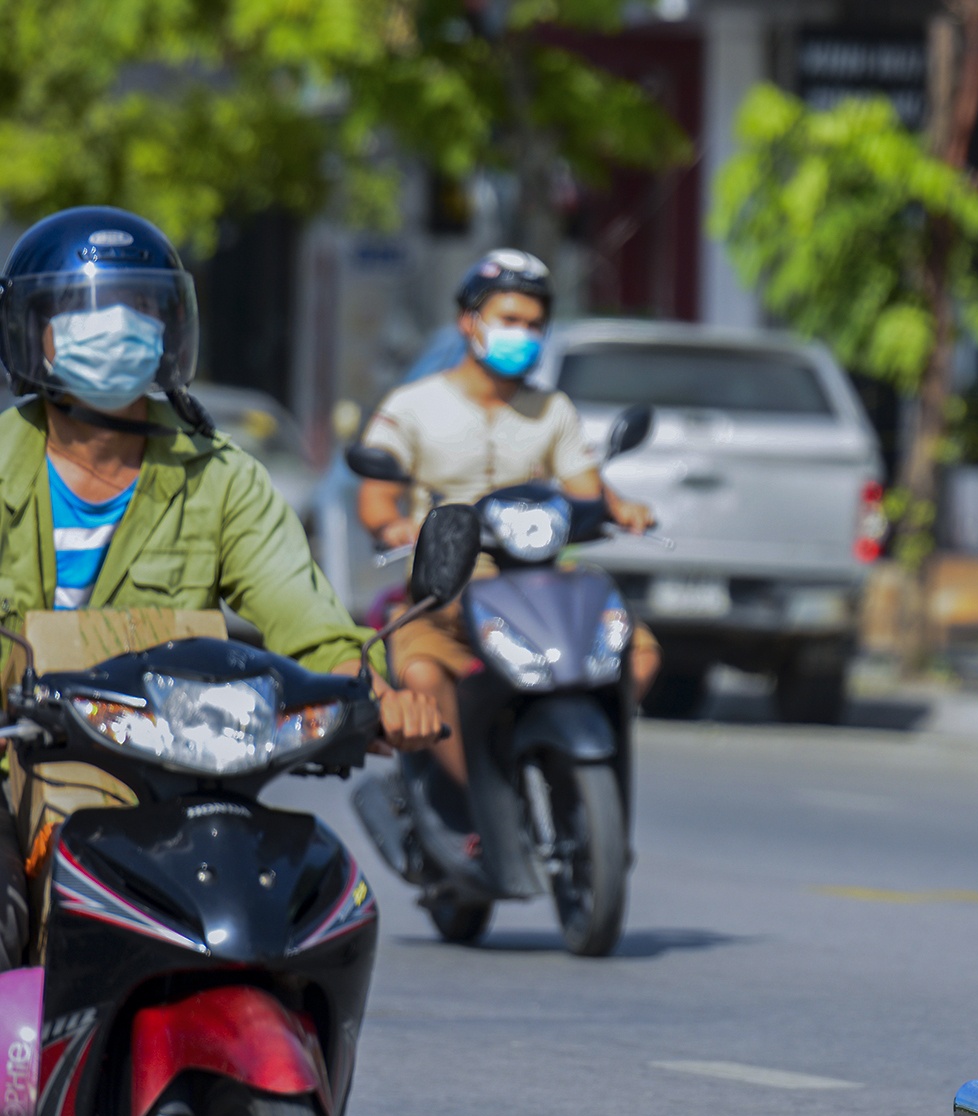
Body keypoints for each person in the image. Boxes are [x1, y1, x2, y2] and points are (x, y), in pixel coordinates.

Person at [0, 206, 448, 965]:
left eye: (138, 308)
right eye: (87, 311)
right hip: (14, 761)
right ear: (33, 332)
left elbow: (306, 616)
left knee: (297, 913)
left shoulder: (222, 477)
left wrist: (374, 695)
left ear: (169, 328)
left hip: (176, 774)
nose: (117, 328)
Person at [355, 249, 660, 790]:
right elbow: (377, 496)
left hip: (538, 587)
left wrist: (620, 507)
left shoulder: (553, 410)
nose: (523, 334)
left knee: (637, 652)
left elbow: (585, 487)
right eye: (510, 320)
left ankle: (578, 766)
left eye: (534, 325)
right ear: (468, 321)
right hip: (445, 592)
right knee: (421, 674)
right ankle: (476, 802)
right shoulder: (413, 405)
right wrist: (392, 526)